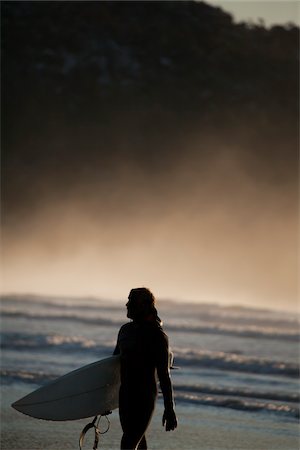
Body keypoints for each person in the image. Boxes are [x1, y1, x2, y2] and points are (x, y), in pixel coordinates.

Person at [113, 287, 177, 450]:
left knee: (128, 443)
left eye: (132, 301)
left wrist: (169, 409)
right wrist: (104, 402)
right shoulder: (125, 331)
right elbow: (113, 366)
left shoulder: (157, 336)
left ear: (145, 306)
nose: (127, 304)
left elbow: (164, 375)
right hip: (125, 395)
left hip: (144, 397)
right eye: (128, 300)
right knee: (137, 441)